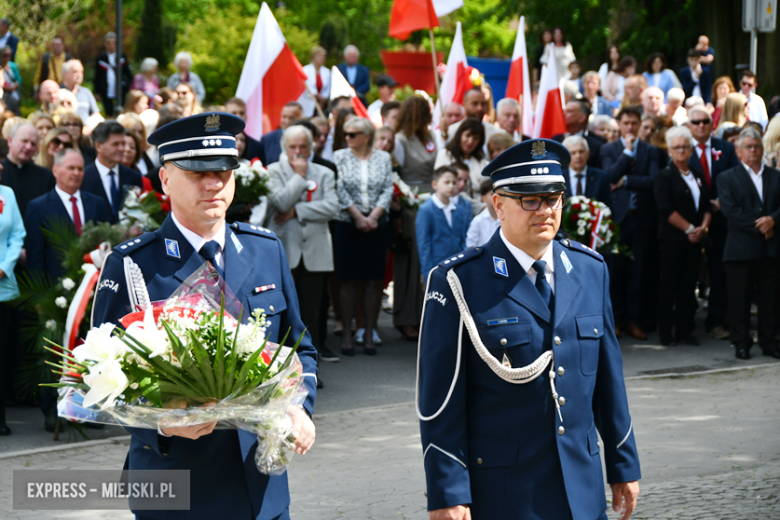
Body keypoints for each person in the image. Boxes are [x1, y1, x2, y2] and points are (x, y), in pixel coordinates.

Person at [91, 111, 317, 520]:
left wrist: (300, 408)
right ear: (164, 179)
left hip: (259, 484)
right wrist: (160, 424)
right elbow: (98, 375)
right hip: (175, 480)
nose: (213, 183)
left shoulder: (266, 251)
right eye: (197, 172)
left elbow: (300, 347)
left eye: (223, 171)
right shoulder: (134, 265)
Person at [417, 137, 641, 520]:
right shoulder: (459, 281)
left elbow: (608, 380)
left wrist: (623, 463)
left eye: (553, 197)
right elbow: (440, 400)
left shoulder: (589, 269)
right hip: (505, 492)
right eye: (530, 200)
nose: (545, 210)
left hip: (582, 488)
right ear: (498, 205)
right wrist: (448, 491)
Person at [266, 125, 340, 363]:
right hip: (285, 250)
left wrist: (297, 210)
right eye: (292, 147)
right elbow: (278, 202)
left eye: (303, 147)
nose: (298, 152)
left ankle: (310, 365)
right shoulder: (273, 171)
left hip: (315, 252)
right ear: (284, 148)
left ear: (312, 148)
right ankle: (284, 364)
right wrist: (298, 176)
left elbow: (332, 207)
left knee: (311, 312)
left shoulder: (324, 172)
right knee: (285, 311)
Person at [717, 127, 780, 360]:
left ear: (763, 149)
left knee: (770, 300)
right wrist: (761, 225)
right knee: (739, 300)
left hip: (770, 249)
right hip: (740, 250)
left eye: (757, 146)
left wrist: (773, 219)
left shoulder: (775, 176)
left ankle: (770, 342)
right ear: (739, 150)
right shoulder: (726, 177)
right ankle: (741, 343)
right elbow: (730, 211)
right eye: (748, 147)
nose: (753, 151)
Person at [333, 117, 393, 355]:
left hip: (377, 224)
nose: (348, 138)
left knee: (373, 280)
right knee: (348, 279)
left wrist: (374, 216)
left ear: (367, 136)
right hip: (347, 223)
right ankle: (347, 331)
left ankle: (369, 331)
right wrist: (358, 216)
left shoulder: (383, 157)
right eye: (346, 134)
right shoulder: (340, 156)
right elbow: (338, 187)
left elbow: (388, 187)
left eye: (353, 134)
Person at [600, 106, 662, 340]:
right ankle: (617, 320)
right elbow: (609, 177)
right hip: (617, 219)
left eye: (634, 123)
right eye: (626, 123)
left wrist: (626, 179)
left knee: (638, 272)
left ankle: (634, 321)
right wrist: (626, 154)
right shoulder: (609, 149)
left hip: (642, 219)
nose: (630, 127)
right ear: (619, 124)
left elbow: (654, 181)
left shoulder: (650, 150)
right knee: (616, 272)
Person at [654, 126, 712, 346]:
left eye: (685, 147)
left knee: (689, 286)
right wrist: (690, 229)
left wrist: (703, 228)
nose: (681, 150)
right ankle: (666, 333)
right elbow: (666, 209)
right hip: (673, 240)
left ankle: (685, 331)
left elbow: (707, 205)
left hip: (695, 241)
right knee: (669, 286)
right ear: (669, 150)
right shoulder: (664, 176)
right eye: (676, 147)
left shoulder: (696, 174)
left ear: (690, 150)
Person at [685, 105, 739, 339]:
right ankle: (685, 323)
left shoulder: (725, 148)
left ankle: (716, 321)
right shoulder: (682, 147)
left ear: (712, 124)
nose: (701, 126)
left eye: (705, 121)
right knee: (688, 271)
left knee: (719, 271)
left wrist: (721, 203)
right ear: (689, 126)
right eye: (696, 122)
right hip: (690, 220)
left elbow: (736, 177)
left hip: (720, 218)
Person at [25, 148, 113, 282]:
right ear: (55, 170)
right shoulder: (38, 207)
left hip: (96, 282)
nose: (76, 173)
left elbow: (108, 242)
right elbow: (35, 258)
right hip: (57, 289)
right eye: (71, 168)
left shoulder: (97, 203)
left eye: (80, 168)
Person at [0, 153, 25, 436]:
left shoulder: (7, 193)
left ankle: (0, 417)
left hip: (3, 286)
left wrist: (5, 267)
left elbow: (17, 234)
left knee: (2, 355)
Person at [416, 165, 471, 279]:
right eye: (447, 182)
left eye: (454, 182)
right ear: (435, 184)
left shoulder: (459, 209)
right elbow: (424, 245)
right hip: (436, 268)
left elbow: (462, 239)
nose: (451, 186)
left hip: (456, 268)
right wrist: (427, 275)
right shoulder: (426, 210)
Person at [81, 120, 142, 222]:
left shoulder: (133, 177)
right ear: (98, 146)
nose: (122, 148)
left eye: (122, 143)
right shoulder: (83, 178)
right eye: (115, 144)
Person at [0, 122, 55, 217]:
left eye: (33, 144)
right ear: (10, 141)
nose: (29, 147)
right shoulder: (1, 172)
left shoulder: (46, 176)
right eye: (24, 141)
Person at [435, 117, 489, 195]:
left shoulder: (482, 162)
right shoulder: (445, 155)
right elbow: (441, 183)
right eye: (467, 136)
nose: (470, 142)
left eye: (475, 138)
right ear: (460, 135)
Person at [553, 99, 606, 167]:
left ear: (582, 118)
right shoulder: (555, 141)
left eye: (570, 111)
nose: (564, 114)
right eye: (564, 111)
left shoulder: (596, 145)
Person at [563, 135, 612, 208]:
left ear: (588, 153)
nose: (578, 156)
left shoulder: (601, 177)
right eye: (573, 153)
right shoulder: (558, 178)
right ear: (566, 156)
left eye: (581, 151)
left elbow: (608, 207)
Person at [94, 32, 132, 116]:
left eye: (114, 42)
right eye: (109, 43)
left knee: (121, 109)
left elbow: (127, 71)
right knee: (108, 110)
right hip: (106, 88)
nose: (111, 45)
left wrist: (131, 86)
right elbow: (97, 76)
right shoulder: (101, 57)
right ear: (105, 44)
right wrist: (97, 92)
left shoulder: (121, 56)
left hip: (120, 87)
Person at [258, 102, 303, 167]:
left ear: (301, 118)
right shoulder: (267, 139)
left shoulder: (306, 139)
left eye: (291, 118)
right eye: (284, 117)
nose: (287, 121)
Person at [61, 59, 99, 124]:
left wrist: (89, 128)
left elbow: (96, 115)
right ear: (65, 74)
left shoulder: (86, 92)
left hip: (86, 131)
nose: (79, 75)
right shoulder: (58, 92)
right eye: (75, 72)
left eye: (81, 72)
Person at [466, 178, 500, 248]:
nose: (496, 198)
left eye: (499, 194)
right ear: (483, 198)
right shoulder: (478, 220)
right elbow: (470, 244)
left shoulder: (507, 218)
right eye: (492, 194)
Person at [299, 47, 330, 118]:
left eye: (323, 56)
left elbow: (327, 88)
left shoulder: (326, 71)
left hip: (321, 105)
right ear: (313, 58)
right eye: (319, 56)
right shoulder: (305, 70)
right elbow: (306, 86)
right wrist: (318, 97)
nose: (322, 58)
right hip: (308, 102)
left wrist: (323, 100)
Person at [1, 46, 21, 112]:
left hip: (13, 94)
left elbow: (19, 79)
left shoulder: (12, 65)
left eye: (9, 55)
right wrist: (5, 87)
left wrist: (13, 87)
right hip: (2, 94)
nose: (8, 57)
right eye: (5, 55)